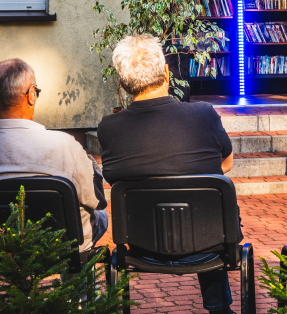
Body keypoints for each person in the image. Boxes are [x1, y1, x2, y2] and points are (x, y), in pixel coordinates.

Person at [98, 35, 236, 314]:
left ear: (123, 84)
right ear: (166, 72)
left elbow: (115, 180)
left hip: (140, 246)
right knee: (208, 203)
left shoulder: (109, 127)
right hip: (211, 244)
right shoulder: (204, 114)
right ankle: (219, 308)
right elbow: (227, 164)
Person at [0, 58, 107, 253]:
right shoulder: (65, 145)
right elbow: (97, 200)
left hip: (5, 250)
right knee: (100, 217)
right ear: (31, 95)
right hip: (64, 249)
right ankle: (78, 282)